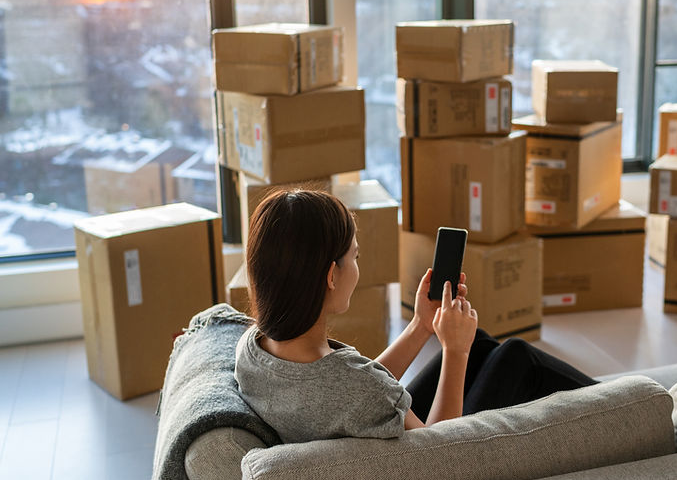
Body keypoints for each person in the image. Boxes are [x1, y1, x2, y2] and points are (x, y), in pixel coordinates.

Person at [234, 188, 596, 444]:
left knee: (483, 345)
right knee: (516, 357)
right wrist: (454, 351)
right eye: (355, 257)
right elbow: (438, 452)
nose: (358, 268)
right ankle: (628, 406)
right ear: (331, 276)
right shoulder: (359, 390)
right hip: (430, 457)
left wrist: (422, 326)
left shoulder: (253, 348)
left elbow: (347, 388)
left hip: (358, 427)